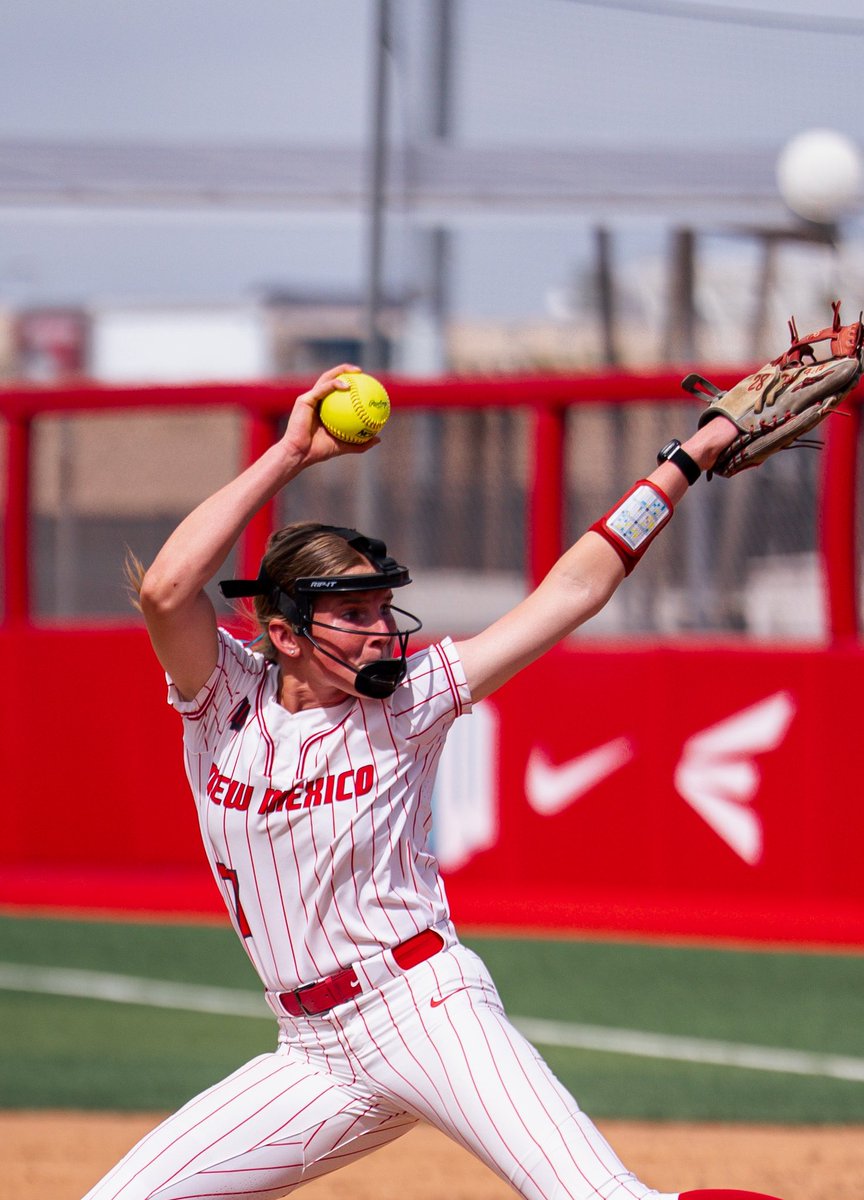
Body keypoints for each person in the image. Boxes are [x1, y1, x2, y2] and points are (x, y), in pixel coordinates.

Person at [86, 364, 785, 1200]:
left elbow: (576, 587)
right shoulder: (224, 699)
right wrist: (290, 453)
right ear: (285, 633)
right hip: (310, 1055)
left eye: (383, 607)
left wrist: (689, 457)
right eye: (354, 613)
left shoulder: (412, 699)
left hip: (424, 1011)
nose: (382, 629)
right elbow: (165, 590)